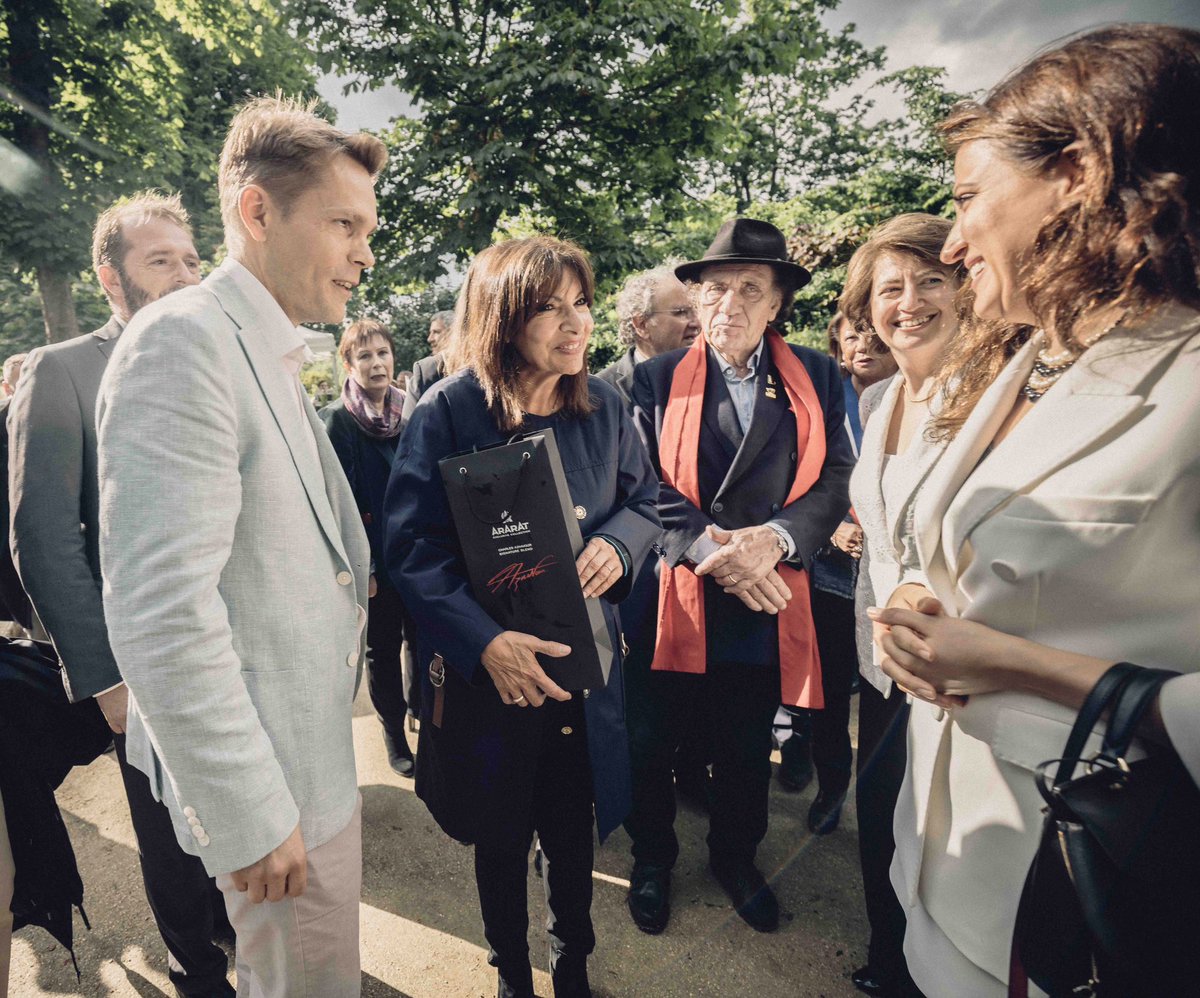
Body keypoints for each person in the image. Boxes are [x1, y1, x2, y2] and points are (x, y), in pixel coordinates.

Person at [864, 25, 1200, 996]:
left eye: (968, 198)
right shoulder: (1020, 357)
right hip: (933, 861)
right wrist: (925, 601)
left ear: (1080, 172)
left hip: (1079, 906)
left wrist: (1018, 664)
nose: (955, 238)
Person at [97, 96, 385, 998]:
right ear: (256, 212)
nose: (365, 254)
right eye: (344, 224)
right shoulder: (183, 344)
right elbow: (159, 612)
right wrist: (251, 813)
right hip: (271, 785)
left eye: (367, 229)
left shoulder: (259, 345)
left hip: (307, 756)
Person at [384, 236, 659, 998]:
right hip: (494, 685)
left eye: (582, 304)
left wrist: (620, 544)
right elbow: (410, 549)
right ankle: (511, 968)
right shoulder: (447, 410)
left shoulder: (605, 404)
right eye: (550, 308)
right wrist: (485, 642)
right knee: (500, 837)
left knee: (573, 830)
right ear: (505, 317)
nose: (575, 325)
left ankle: (572, 958)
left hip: (581, 676)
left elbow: (649, 502)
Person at [7, 191, 238, 998]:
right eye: (159, 261)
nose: (184, 276)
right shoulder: (63, 370)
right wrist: (106, 678)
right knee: (171, 830)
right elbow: (41, 536)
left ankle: (233, 926)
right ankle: (198, 975)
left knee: (237, 808)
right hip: (137, 659)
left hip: (232, 638)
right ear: (110, 277)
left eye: (191, 260)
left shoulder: (221, 359)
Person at [626, 217, 854, 934]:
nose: (728, 302)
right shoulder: (650, 380)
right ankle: (653, 858)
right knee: (652, 742)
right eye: (714, 288)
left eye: (749, 288)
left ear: (778, 302)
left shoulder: (817, 374)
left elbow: (839, 475)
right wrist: (709, 551)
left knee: (745, 744)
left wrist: (779, 540)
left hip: (769, 591)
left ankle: (736, 858)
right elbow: (637, 482)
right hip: (675, 590)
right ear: (694, 300)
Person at [840, 213, 962, 997]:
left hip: (957, 665)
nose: (908, 302)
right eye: (890, 287)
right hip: (879, 661)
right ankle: (890, 966)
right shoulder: (879, 396)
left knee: (950, 849)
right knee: (881, 828)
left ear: (967, 289)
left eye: (930, 280)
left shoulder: (996, 392)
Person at [775, 312, 898, 832]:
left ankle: (885, 801)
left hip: (893, 576)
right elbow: (794, 479)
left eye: (874, 335)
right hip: (828, 570)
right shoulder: (821, 396)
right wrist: (830, 531)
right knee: (823, 690)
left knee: (881, 696)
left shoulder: (917, 395)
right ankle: (832, 787)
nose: (864, 345)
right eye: (853, 336)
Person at [320, 318, 415, 776]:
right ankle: (393, 732)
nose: (376, 363)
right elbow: (342, 504)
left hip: (418, 555)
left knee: (423, 639)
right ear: (348, 363)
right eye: (364, 356)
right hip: (376, 562)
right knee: (382, 648)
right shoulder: (338, 422)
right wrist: (367, 569)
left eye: (382, 353)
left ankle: (422, 714)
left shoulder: (411, 411)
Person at [598, 264, 700, 406]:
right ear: (641, 325)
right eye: (681, 312)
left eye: (698, 310)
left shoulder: (719, 375)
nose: (697, 322)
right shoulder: (600, 393)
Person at [401, 308, 458, 426]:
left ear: (454, 332)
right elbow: (409, 428)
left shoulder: (426, 371)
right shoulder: (425, 373)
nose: (429, 339)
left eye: (436, 332)